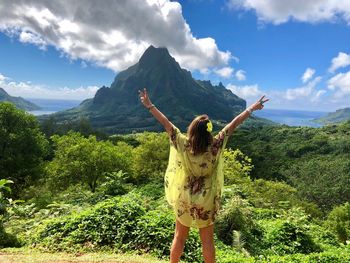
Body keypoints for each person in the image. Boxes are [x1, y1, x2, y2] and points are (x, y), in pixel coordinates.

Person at [138, 88, 269, 263]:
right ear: (208, 131)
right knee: (207, 241)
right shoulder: (216, 145)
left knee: (179, 237)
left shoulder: (183, 143)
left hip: (185, 196)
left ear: (192, 130)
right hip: (206, 199)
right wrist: (252, 108)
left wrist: (149, 105)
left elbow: (166, 123)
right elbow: (234, 124)